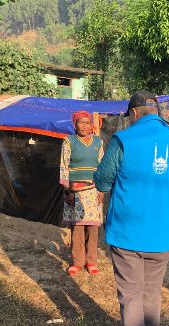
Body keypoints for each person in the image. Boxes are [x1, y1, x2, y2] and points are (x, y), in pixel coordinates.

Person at [94, 91, 169, 326]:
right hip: (161, 234)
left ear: (134, 113)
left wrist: (99, 180)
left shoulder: (123, 140)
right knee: (151, 291)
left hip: (128, 233)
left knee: (131, 295)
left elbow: (103, 179)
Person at [59, 110, 105, 276]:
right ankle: (77, 262)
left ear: (92, 124)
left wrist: (102, 190)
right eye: (81, 122)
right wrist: (67, 190)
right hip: (75, 190)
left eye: (87, 122)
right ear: (75, 124)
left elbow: (102, 168)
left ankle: (91, 261)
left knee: (92, 227)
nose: (84, 126)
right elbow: (64, 166)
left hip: (93, 190)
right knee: (77, 227)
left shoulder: (98, 142)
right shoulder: (69, 141)